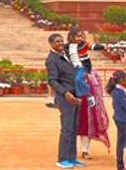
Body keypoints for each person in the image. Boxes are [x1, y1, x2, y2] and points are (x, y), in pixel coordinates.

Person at [68, 28, 110, 159]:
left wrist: (105, 46)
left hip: (86, 95)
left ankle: (85, 150)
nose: (80, 38)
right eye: (77, 36)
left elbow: (94, 46)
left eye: (81, 36)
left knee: (86, 122)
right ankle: (69, 151)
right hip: (75, 88)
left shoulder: (84, 47)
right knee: (71, 124)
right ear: (71, 37)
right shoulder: (69, 49)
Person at [46, 32, 84, 169]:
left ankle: (72, 157)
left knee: (74, 127)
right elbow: (52, 80)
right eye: (57, 42)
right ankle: (62, 159)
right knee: (67, 128)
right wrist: (65, 92)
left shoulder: (65, 54)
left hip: (74, 93)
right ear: (51, 44)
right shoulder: (51, 59)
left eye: (61, 41)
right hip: (65, 96)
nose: (60, 44)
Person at [107, 70, 126, 170]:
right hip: (122, 120)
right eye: (125, 79)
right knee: (123, 143)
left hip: (121, 119)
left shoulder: (117, 90)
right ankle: (121, 165)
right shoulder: (119, 92)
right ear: (120, 80)